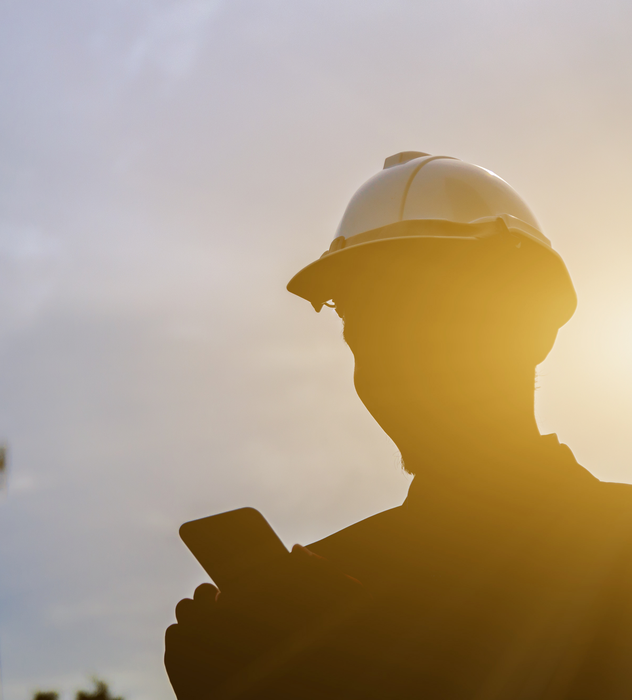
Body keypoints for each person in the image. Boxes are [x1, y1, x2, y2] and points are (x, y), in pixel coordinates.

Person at [164, 153, 632, 699]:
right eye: (365, 323)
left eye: (432, 315)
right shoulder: (314, 595)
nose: (397, 362)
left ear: (532, 327)